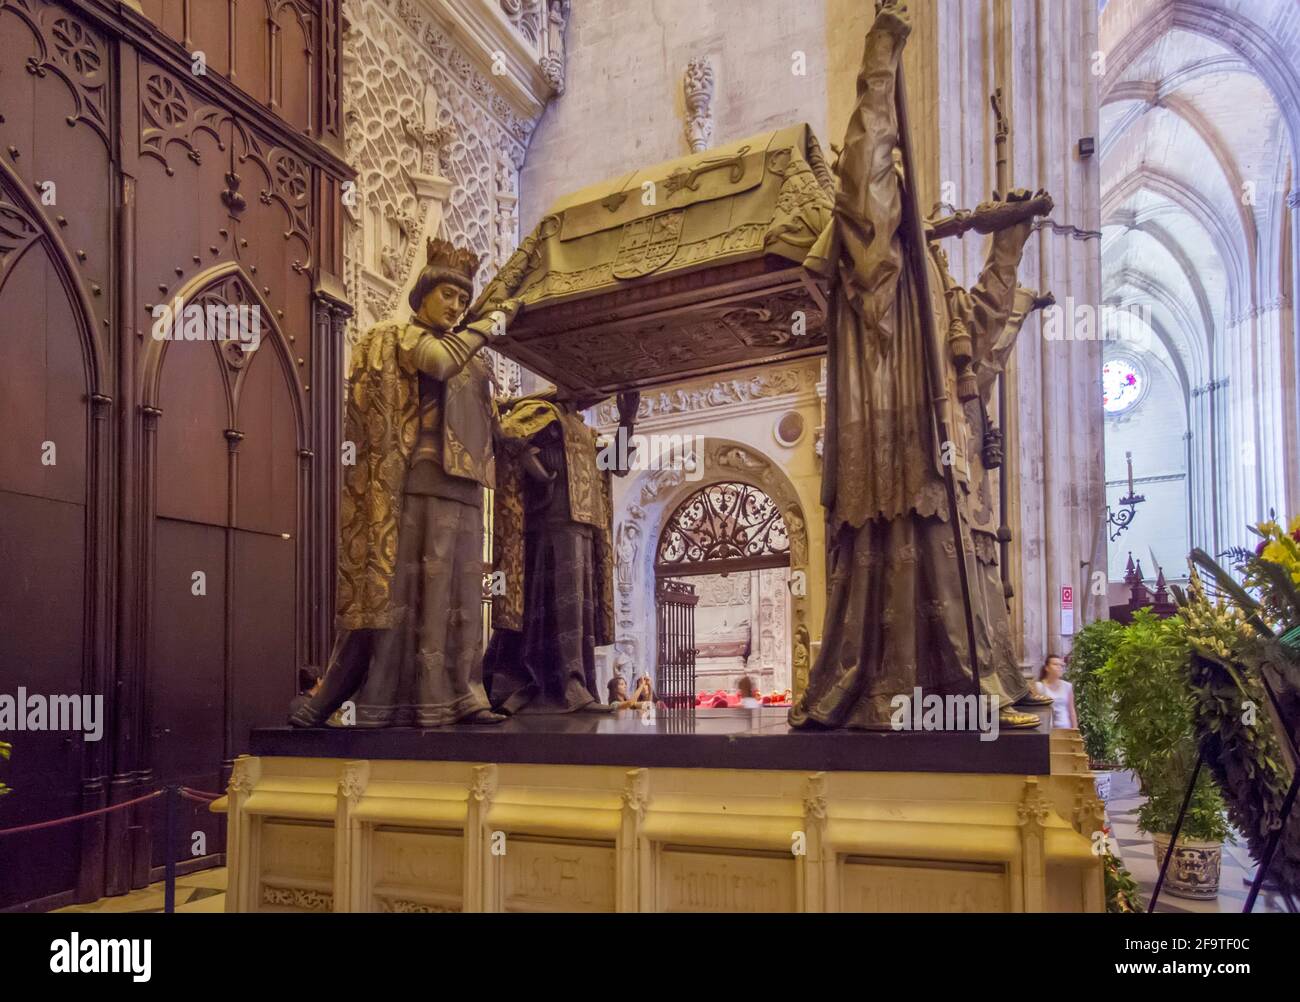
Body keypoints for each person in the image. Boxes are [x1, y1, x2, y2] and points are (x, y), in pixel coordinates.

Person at [789, 1, 1052, 731]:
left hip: (942, 447)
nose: (897, 193)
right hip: (895, 436)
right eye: (890, 185)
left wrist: (1009, 245)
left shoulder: (930, 279)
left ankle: (976, 687)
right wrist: (882, 55)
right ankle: (921, 698)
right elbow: (866, 178)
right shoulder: (875, 270)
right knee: (915, 549)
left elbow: (986, 336)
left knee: (956, 557)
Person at [290, 238, 518, 728]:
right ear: (423, 295)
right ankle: (371, 698)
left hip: (466, 483)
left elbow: (496, 428)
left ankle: (463, 694)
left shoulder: (474, 359)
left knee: (459, 595)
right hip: (415, 481)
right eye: (448, 295)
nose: (456, 306)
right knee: (401, 594)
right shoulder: (404, 338)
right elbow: (436, 361)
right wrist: (490, 320)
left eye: (463, 298)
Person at [482, 390, 637, 714]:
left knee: (579, 612)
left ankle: (577, 687)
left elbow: (619, 464)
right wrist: (537, 469)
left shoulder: (585, 430)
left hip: (583, 525)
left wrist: (627, 420)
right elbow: (507, 435)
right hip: (552, 522)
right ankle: (568, 688)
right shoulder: (542, 412)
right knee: (562, 609)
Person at [1037, 654, 1076, 730]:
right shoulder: (1039, 687)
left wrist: (1075, 729)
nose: (1059, 667)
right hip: (1047, 729)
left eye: (1061, 665)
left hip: (1065, 728)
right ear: (1047, 668)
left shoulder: (1067, 686)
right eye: (1055, 664)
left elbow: (1071, 710)